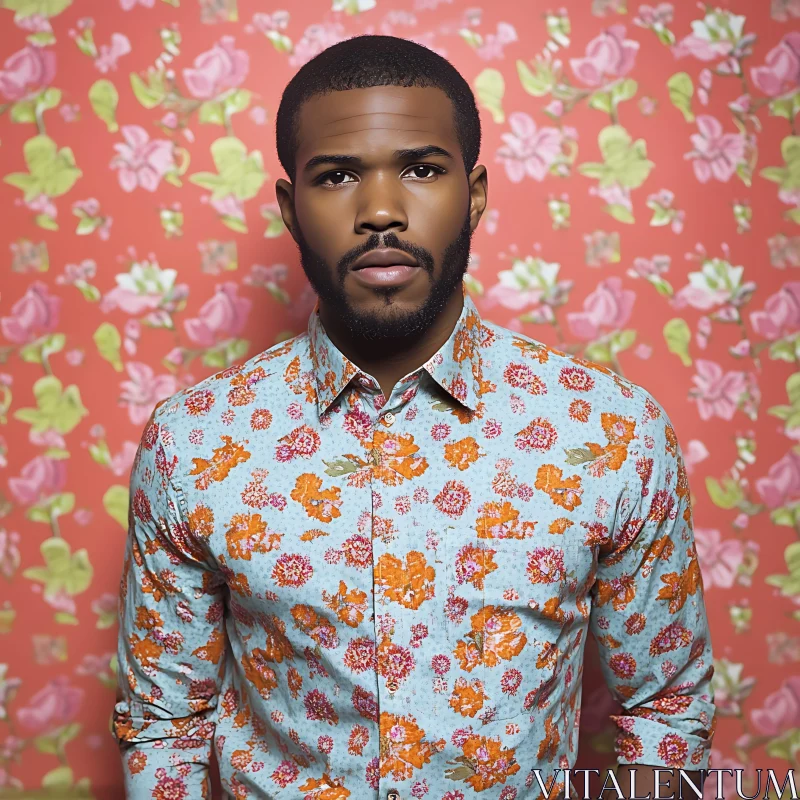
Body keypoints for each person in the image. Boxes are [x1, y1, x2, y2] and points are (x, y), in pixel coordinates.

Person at [113, 34, 716, 800]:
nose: (381, 212)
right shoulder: (193, 442)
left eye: (423, 169)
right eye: (336, 177)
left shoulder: (611, 433)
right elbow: (164, 721)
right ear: (290, 207)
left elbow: (666, 709)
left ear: (474, 192)